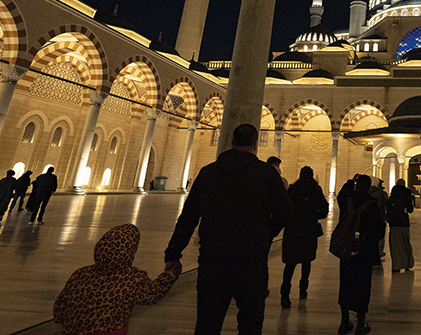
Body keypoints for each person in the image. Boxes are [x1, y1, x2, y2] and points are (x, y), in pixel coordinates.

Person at [164, 124, 291, 335]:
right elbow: (286, 211)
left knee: (207, 324)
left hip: (213, 260)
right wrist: (266, 234)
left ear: (231, 141)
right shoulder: (266, 174)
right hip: (250, 262)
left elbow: (188, 217)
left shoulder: (208, 173)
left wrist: (173, 253)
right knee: (250, 325)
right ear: (254, 143)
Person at [54, 223, 180, 335]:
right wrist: (169, 275)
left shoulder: (80, 274)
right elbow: (153, 292)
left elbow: (60, 308)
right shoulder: (130, 278)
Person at [336, 174, 385, 335]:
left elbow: (341, 194)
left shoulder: (347, 200)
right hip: (364, 250)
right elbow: (379, 230)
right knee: (363, 284)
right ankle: (361, 321)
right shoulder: (371, 205)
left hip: (347, 249)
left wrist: (350, 181)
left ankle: (344, 320)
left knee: (346, 281)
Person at [280, 166, 329, 308]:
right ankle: (303, 290)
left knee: (290, 264)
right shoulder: (315, 189)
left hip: (293, 230)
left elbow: (284, 207)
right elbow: (324, 210)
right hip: (308, 230)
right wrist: (314, 215)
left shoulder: (293, 189)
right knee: (306, 262)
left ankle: (285, 294)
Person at [387, 178, 415, 273]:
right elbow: (410, 209)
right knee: (405, 242)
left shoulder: (393, 196)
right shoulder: (407, 195)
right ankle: (408, 263)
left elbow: (388, 207)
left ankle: (397, 265)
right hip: (404, 222)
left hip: (394, 223)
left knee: (395, 244)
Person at [368, 177, 388, 267]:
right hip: (379, 217)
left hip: (369, 217)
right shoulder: (380, 194)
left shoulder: (367, 191)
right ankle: (378, 253)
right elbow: (385, 203)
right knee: (379, 236)